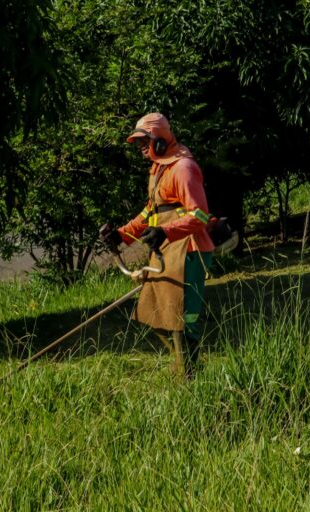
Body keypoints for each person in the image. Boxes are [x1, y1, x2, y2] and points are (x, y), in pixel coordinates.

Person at [100, 113, 215, 378]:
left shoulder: (183, 168)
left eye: (144, 141)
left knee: (184, 320)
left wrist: (166, 232)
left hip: (188, 251)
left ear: (160, 141)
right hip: (167, 251)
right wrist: (122, 235)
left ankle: (189, 376)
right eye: (138, 143)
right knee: (156, 313)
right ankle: (184, 368)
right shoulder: (159, 168)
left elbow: (199, 215)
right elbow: (150, 212)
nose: (140, 148)